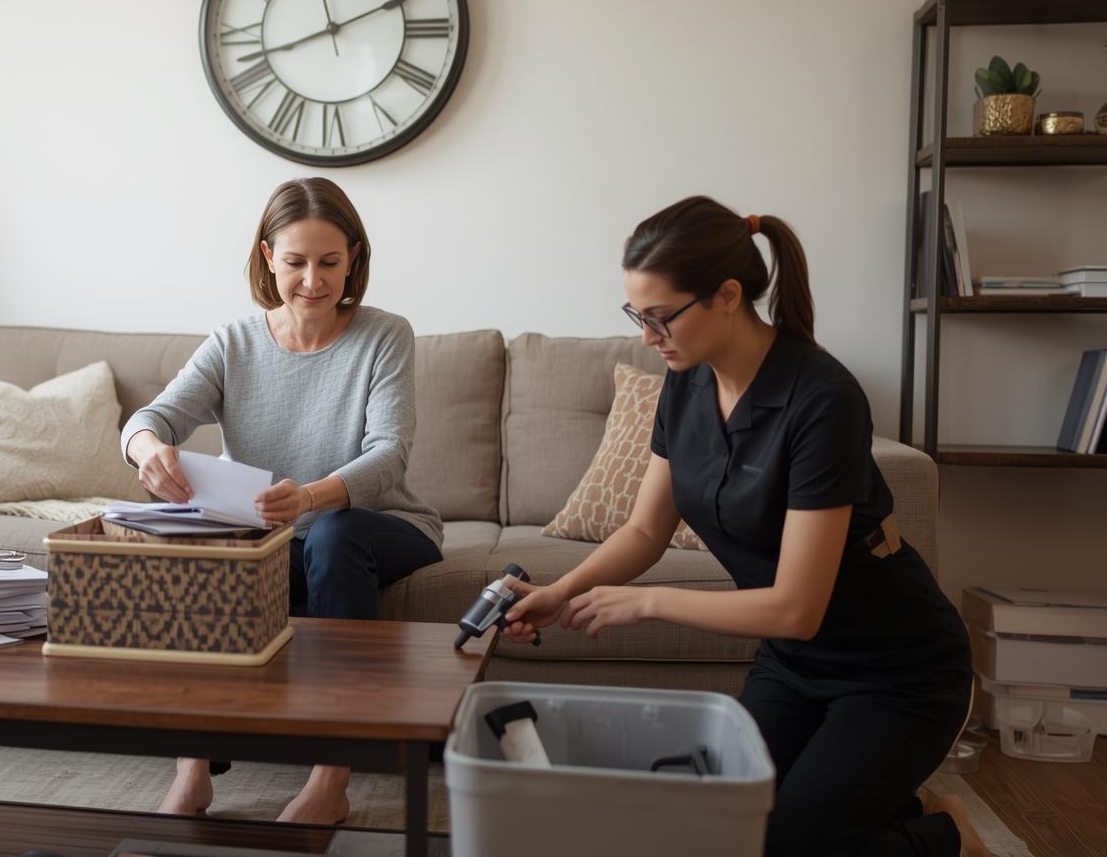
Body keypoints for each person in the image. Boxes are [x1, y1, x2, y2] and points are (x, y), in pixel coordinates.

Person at [503, 196, 990, 857]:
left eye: (660, 316)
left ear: (728, 295)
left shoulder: (822, 400)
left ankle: (945, 838)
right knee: (711, 827)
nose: (647, 336)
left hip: (898, 671)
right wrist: (562, 590)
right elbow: (646, 530)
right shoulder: (684, 384)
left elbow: (796, 609)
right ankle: (892, 808)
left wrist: (646, 602)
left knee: (781, 845)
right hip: (792, 666)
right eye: (637, 315)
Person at [121, 177, 443, 825]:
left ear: (353, 258)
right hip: (279, 538)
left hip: (382, 524)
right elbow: (151, 417)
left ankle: (331, 778)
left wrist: (313, 496)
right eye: (296, 261)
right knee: (210, 553)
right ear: (268, 257)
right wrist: (145, 448)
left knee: (332, 534)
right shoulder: (233, 342)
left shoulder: (386, 335)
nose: (313, 281)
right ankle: (193, 774)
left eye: (330, 262)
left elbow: (389, 454)